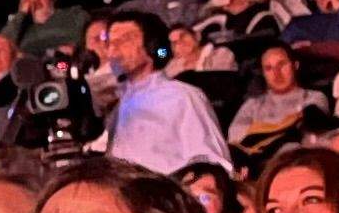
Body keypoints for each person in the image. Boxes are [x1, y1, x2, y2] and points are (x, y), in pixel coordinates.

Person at [93, 12, 234, 175]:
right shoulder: (120, 106)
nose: (113, 50)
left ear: (152, 46)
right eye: (110, 43)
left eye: (125, 40)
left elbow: (215, 164)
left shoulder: (182, 97)